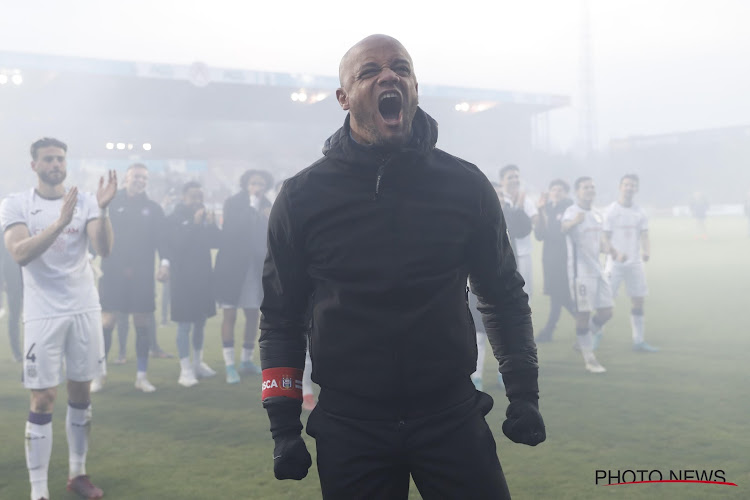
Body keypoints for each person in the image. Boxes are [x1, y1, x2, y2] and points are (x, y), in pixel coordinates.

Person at [259, 35, 545, 499]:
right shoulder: (301, 198)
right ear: (344, 98)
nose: (389, 76)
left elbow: (503, 296)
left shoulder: (465, 186)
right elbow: (280, 319)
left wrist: (524, 394)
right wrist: (284, 426)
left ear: (414, 89)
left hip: (450, 415)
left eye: (401, 68)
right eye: (368, 71)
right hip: (351, 426)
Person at [0, 137, 116, 500]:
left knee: (81, 391)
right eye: (48, 159)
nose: (55, 164)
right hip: (42, 313)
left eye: (60, 158)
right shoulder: (16, 204)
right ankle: (38, 491)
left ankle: (77, 475)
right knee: (43, 398)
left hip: (83, 308)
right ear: (33, 165)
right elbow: (20, 253)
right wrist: (60, 222)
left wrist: (104, 209)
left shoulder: (85, 201)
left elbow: (104, 249)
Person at [94, 163, 170, 393]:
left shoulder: (153, 208)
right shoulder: (112, 203)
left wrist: (165, 264)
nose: (140, 180)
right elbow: (96, 232)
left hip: (142, 274)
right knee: (107, 321)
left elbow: (162, 240)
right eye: (136, 176)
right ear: (127, 178)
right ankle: (99, 375)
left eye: (144, 178)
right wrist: (88, 257)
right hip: (113, 272)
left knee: (142, 322)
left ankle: (141, 377)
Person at [213, 169, 273, 384]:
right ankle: (229, 365)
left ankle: (246, 360)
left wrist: (268, 217)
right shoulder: (233, 203)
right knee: (229, 314)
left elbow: (272, 235)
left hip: (255, 269)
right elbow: (230, 231)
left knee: (252, 315)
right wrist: (250, 207)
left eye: (261, 183)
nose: (258, 187)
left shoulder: (268, 205)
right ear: (246, 184)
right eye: (254, 182)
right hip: (231, 268)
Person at [164, 181, 220, 387]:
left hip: (204, 278)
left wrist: (212, 224)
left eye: (200, 196)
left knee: (201, 322)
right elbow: (176, 245)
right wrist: (195, 224)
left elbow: (216, 242)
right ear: (184, 198)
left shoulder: (203, 217)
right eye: (194, 197)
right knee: (184, 325)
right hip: (183, 280)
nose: (198, 201)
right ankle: (185, 368)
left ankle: (198, 363)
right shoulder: (174, 218)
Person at [561, 177, 615, 373]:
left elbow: (599, 242)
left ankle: (582, 340)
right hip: (580, 273)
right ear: (577, 192)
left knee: (607, 312)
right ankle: (589, 359)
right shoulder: (572, 212)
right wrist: (574, 222)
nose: (590, 190)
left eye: (592, 187)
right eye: (586, 187)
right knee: (583, 314)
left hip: (598, 270)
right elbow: (564, 227)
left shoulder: (596, 214)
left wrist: (610, 249)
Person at [603, 174, 658, 352]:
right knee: (605, 301)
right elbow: (604, 238)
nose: (629, 188)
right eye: (626, 184)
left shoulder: (639, 212)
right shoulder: (611, 211)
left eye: (632, 185)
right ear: (620, 187)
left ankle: (638, 341)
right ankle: (595, 335)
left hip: (635, 263)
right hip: (615, 263)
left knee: (638, 300)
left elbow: (644, 234)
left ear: (636, 189)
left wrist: (647, 251)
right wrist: (615, 253)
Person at [534, 179, 575, 342]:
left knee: (561, 295)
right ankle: (549, 331)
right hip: (549, 258)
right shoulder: (547, 208)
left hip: (564, 258)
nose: (556, 193)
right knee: (556, 296)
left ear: (566, 193)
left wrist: (544, 216)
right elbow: (540, 236)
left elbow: (557, 234)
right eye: (554, 190)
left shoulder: (569, 208)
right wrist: (541, 213)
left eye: (560, 190)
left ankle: (587, 324)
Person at [498, 164, 537, 297]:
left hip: (523, 253)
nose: (515, 180)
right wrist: (518, 207)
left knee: (525, 292)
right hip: (502, 255)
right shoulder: (497, 198)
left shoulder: (526, 199)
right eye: (510, 177)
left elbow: (531, 224)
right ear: (502, 181)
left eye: (516, 177)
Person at [0, 238, 23, 362]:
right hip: (12, 279)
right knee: (14, 316)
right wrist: (2, 280)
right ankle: (16, 352)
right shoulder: (3, 230)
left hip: (30, 275)